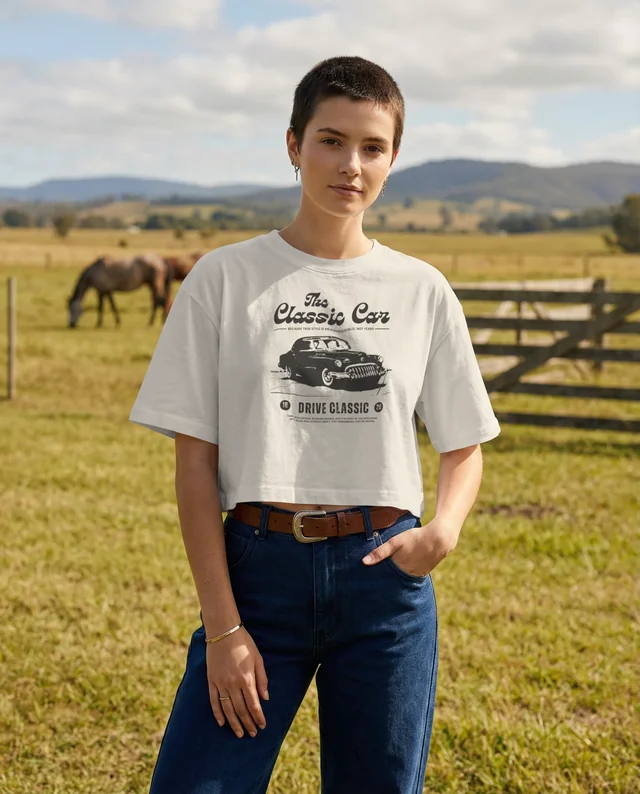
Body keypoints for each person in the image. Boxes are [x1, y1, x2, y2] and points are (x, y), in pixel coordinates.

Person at [129, 55, 500, 794]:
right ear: (294, 144)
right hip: (258, 577)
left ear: (393, 159)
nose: (350, 165)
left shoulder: (422, 291)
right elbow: (195, 463)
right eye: (331, 141)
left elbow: (463, 445)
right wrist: (227, 628)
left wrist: (444, 532)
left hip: (383, 581)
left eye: (372, 147)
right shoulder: (223, 280)